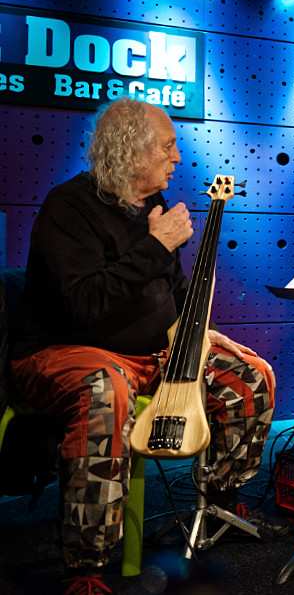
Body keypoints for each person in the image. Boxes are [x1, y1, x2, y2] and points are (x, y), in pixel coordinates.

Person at [9, 97, 278, 594]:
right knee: (105, 392)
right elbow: (84, 306)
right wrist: (156, 245)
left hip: (151, 352)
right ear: (132, 151)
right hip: (66, 350)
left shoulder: (152, 206)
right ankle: (85, 569)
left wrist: (196, 331)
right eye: (168, 146)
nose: (177, 157)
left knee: (249, 375)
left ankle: (220, 501)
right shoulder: (68, 207)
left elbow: (171, 288)